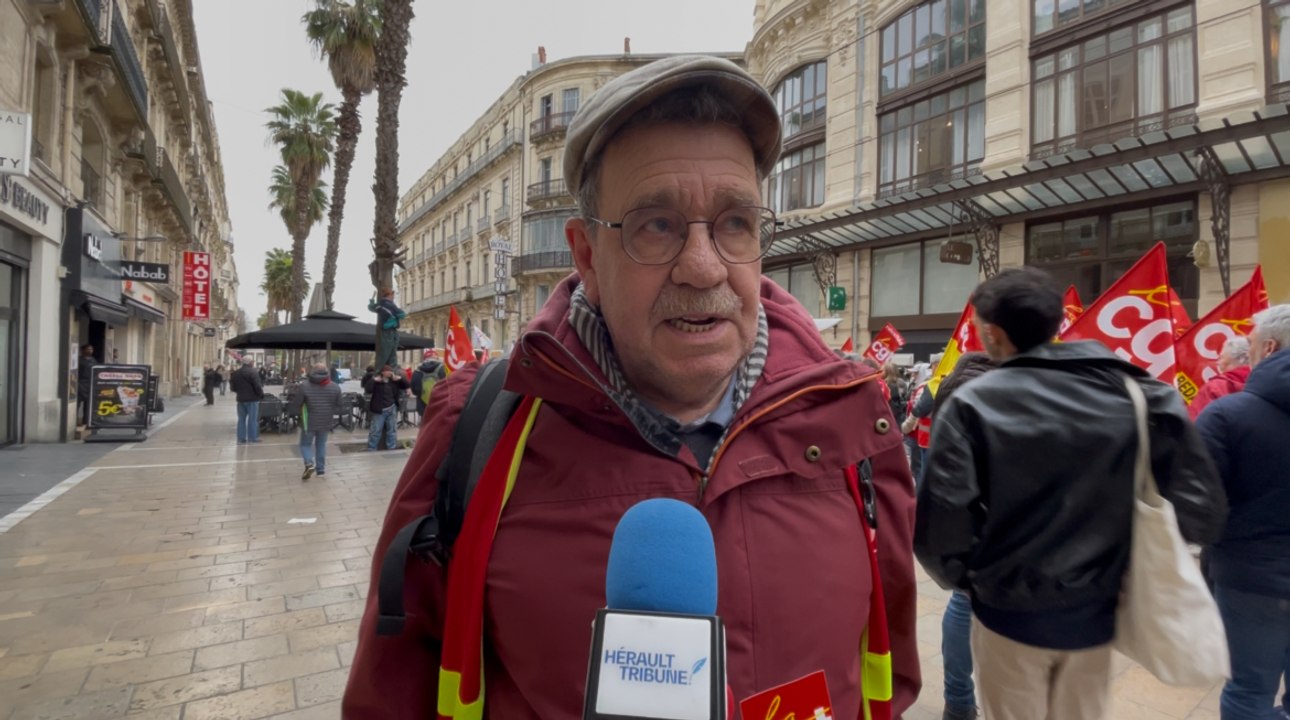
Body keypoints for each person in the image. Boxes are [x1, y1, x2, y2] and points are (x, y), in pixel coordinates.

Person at [344, 55, 920, 719]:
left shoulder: (853, 421)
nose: (703, 268)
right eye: (656, 225)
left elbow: (888, 674)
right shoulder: (479, 432)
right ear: (586, 255)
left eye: (735, 222)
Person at [914, 267, 1226, 720]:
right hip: (1094, 614)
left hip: (1007, 613)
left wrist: (976, 581)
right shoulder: (1140, 394)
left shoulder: (972, 403)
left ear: (994, 333)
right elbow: (1203, 513)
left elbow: (940, 529)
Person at [1195, 305, 1290, 720]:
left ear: (1268, 348)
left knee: (1248, 689)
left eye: (1249, 343)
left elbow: (1197, 502)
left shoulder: (1227, 415)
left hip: (1251, 578)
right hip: (1254, 574)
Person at [927, 351, 998, 720]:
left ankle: (958, 700)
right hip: (997, 506)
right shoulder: (994, 389)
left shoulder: (950, 387)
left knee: (961, 601)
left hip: (960, 504)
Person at [289, 362, 342, 480]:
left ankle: (309, 463)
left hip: (309, 421)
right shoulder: (334, 386)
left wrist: (296, 414)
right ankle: (321, 470)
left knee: (305, 444)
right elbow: (339, 406)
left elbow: (297, 403)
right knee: (321, 445)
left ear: (312, 371)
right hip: (326, 421)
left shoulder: (305, 385)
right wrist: (329, 411)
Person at [1189, 336, 1252, 420]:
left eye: (1221, 357)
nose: (1217, 362)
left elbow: (1195, 423)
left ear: (1237, 359)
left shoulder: (1214, 388)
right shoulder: (1267, 383)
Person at [365, 364, 409, 451]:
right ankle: (371, 448)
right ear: (383, 373)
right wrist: (374, 380)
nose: (389, 374)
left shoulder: (394, 381)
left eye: (390, 372)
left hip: (392, 408)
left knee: (392, 430)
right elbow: (368, 389)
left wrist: (400, 378)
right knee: (376, 431)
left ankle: (391, 447)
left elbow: (406, 385)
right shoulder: (377, 381)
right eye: (387, 372)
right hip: (379, 409)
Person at [229, 356, 265, 444]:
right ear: (250, 362)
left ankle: (241, 438)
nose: (253, 363)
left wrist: (240, 392)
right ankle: (253, 438)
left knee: (241, 419)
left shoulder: (236, 373)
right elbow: (257, 386)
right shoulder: (253, 372)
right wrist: (261, 395)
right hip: (252, 399)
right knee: (252, 419)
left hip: (241, 399)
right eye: (252, 361)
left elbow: (232, 387)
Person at [369, 288, 406, 371]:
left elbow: (371, 307)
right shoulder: (390, 305)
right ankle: (390, 370)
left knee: (386, 352)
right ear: (390, 295)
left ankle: (383, 370)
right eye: (393, 295)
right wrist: (394, 318)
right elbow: (402, 314)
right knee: (390, 353)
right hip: (389, 330)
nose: (393, 297)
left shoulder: (380, 304)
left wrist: (372, 300)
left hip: (386, 330)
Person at [410, 349, 446, 421]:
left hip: (423, 406)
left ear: (424, 359)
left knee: (426, 427)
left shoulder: (417, 371)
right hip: (440, 404)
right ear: (436, 358)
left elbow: (414, 390)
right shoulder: (443, 369)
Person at [76, 344, 98, 427]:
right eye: (88, 349)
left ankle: (87, 421)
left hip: (90, 383)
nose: (90, 351)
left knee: (88, 404)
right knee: (77, 403)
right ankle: (75, 421)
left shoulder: (93, 360)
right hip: (80, 383)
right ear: (83, 350)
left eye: (91, 349)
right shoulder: (79, 360)